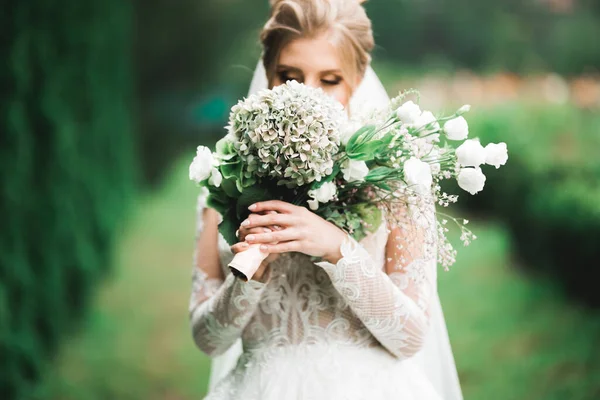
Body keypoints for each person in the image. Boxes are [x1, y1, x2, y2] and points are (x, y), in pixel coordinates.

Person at [189, 1, 463, 399]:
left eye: (330, 79)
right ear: (267, 76)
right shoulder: (223, 184)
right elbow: (208, 341)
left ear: (356, 80)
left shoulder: (396, 181)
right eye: (289, 76)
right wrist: (249, 276)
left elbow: (410, 339)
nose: (309, 96)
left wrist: (339, 250)